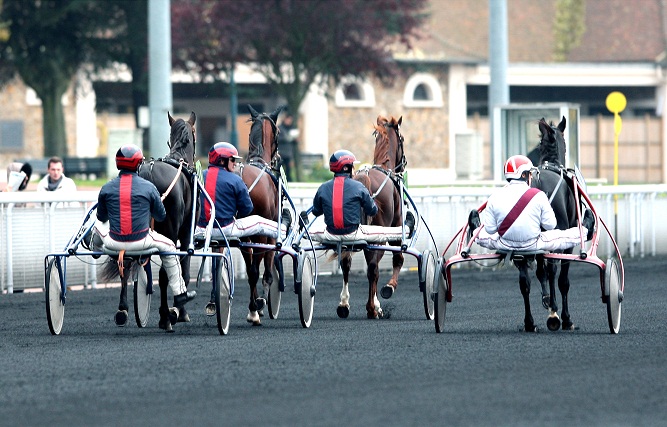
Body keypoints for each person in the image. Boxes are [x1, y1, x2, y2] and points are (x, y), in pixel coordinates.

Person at [93, 144, 196, 322]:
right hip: (142, 240)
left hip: (113, 243)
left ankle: (95, 249)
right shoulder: (149, 188)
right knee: (170, 246)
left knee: (98, 229)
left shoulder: (106, 188)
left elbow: (101, 216)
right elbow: (161, 216)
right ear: (139, 164)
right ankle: (180, 294)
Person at [468, 154, 595, 252]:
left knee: (483, 237)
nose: (531, 177)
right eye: (530, 174)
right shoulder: (538, 196)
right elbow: (551, 225)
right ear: (524, 175)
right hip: (533, 243)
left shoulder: (494, 197)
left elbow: (490, 230)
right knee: (564, 236)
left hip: (504, 244)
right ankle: (585, 231)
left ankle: (475, 228)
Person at [307, 149, 414, 242]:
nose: (354, 169)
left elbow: (316, 211)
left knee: (307, 232)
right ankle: (407, 229)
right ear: (346, 168)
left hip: (330, 235)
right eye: (352, 166)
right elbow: (372, 211)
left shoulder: (323, 188)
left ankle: (303, 224)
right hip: (353, 235)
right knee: (385, 233)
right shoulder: (358, 187)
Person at [194, 142, 288, 239]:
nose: (235, 163)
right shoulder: (235, 180)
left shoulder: (199, 176)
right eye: (232, 160)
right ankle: (283, 229)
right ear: (222, 161)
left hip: (200, 229)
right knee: (258, 221)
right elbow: (247, 209)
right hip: (226, 229)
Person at [277, 112, 298, 182]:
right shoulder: (279, 128)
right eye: (288, 119)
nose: (289, 121)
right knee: (279, 171)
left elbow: (294, 143)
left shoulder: (291, 128)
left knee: (288, 171)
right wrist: (288, 138)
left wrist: (295, 140)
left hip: (288, 154)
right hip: (281, 153)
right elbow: (278, 139)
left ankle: (288, 182)